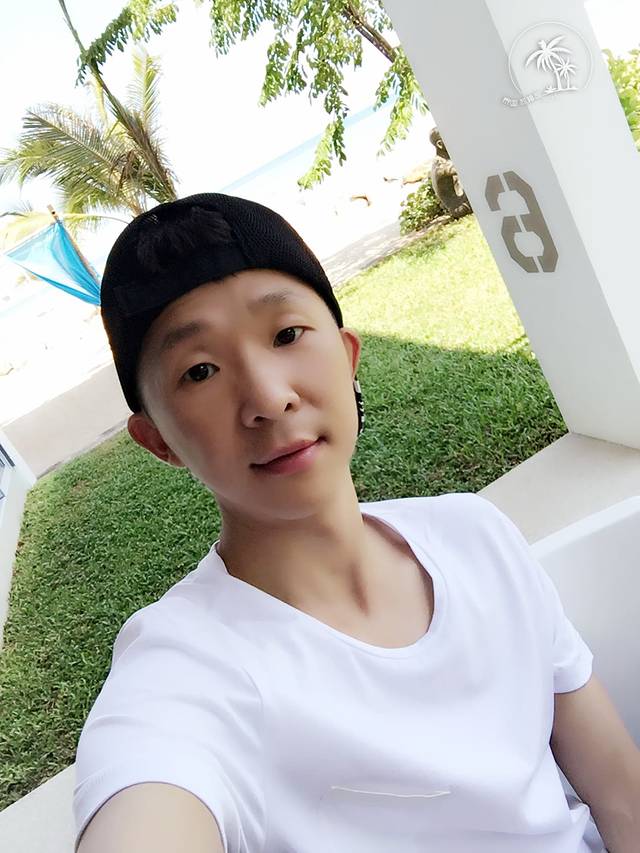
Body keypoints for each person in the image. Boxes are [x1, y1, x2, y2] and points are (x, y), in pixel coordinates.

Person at [73, 194, 637, 853]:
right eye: (200, 371)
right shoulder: (188, 671)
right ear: (157, 440)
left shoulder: (475, 535)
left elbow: (621, 792)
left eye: (286, 335)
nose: (268, 397)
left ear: (347, 354)